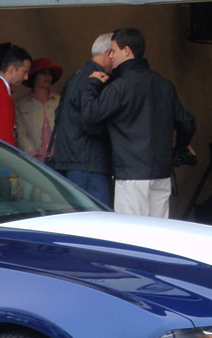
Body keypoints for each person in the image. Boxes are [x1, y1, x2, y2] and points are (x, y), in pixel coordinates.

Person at [81, 28, 195, 218]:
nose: (111, 56)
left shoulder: (118, 87)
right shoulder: (164, 84)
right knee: (159, 234)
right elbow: (187, 123)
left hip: (131, 175)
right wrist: (177, 151)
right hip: (161, 173)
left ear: (126, 51)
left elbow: (90, 116)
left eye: (113, 50)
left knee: (132, 236)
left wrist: (91, 85)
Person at [51, 33, 115, 206]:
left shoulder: (77, 75)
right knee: (96, 221)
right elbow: (91, 120)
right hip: (89, 163)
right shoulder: (98, 78)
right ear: (109, 52)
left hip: (73, 160)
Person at [14, 57, 63, 162]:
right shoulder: (20, 104)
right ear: (34, 77)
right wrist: (32, 155)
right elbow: (20, 133)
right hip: (33, 160)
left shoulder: (60, 101)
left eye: (50, 74)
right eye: (43, 73)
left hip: (59, 158)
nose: (47, 77)